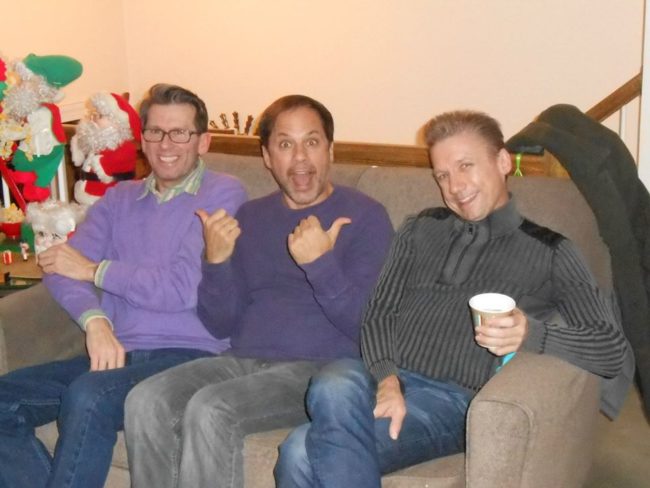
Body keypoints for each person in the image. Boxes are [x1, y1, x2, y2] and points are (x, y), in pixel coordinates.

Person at [274, 110, 629, 487]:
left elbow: (610, 349)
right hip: (380, 373)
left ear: (503, 162)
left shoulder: (551, 250)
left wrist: (532, 334)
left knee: (299, 452)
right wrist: (388, 379)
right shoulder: (419, 228)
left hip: (453, 399)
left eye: (466, 166)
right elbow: (379, 311)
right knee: (330, 382)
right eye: (442, 175)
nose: (455, 186)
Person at [125, 94, 394, 488]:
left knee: (210, 408)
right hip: (243, 359)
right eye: (285, 144)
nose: (300, 158)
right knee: (144, 400)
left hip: (322, 368)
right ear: (267, 156)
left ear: (330, 150)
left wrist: (321, 265)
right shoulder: (251, 216)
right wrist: (216, 262)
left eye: (312, 142)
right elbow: (220, 324)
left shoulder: (366, 216)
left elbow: (370, 326)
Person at [0, 83, 247, 488]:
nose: (166, 144)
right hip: (119, 355)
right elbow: (62, 268)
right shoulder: (119, 199)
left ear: (203, 141)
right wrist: (95, 320)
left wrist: (96, 270)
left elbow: (182, 288)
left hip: (192, 358)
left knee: (89, 397)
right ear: (141, 140)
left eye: (180, 133)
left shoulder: (223, 191)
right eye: (155, 132)